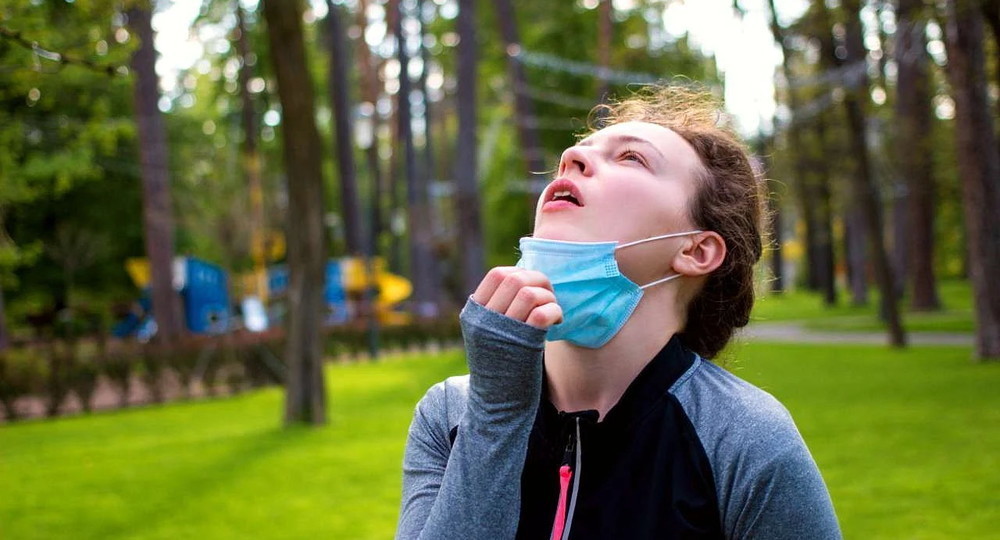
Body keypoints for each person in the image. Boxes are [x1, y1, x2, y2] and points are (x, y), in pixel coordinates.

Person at [395, 85, 841, 540]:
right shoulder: (450, 413)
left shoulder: (746, 437)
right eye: (579, 150)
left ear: (696, 251)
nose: (571, 157)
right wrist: (495, 414)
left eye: (631, 157)